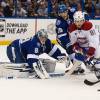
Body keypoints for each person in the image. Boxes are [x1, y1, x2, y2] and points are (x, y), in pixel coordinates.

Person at [68, 11, 100, 79]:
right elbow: (73, 42)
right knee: (77, 57)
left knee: (97, 56)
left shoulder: (88, 25)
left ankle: (98, 70)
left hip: (93, 45)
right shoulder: (72, 28)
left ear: (84, 20)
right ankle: (85, 65)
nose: (79, 23)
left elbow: (94, 40)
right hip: (82, 46)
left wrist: (90, 52)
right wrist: (77, 49)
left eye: (81, 21)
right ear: (74, 21)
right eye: (77, 21)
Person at [55, 4, 84, 74]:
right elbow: (62, 36)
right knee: (70, 49)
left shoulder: (72, 12)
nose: (63, 14)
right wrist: (69, 43)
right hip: (62, 38)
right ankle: (76, 66)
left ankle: (82, 64)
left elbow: (81, 14)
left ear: (67, 11)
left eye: (64, 12)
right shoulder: (59, 22)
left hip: (72, 34)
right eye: (61, 12)